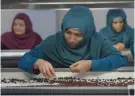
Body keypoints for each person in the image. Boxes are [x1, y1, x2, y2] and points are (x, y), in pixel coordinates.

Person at [18, 6, 127, 79]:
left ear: (88, 33)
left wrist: (91, 64)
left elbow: (119, 59)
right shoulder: (54, 41)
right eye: (68, 32)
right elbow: (24, 60)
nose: (71, 39)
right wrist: (37, 62)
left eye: (78, 35)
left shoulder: (97, 41)